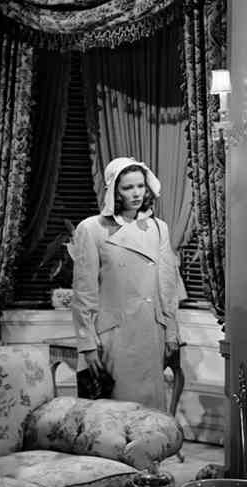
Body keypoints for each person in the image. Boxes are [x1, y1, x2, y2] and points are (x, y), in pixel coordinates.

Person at [71, 157, 183, 411]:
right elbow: (84, 293)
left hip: (151, 332)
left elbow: (167, 285)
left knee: (150, 414)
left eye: (140, 186)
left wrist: (171, 331)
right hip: (114, 336)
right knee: (116, 414)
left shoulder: (158, 228)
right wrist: (87, 344)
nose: (136, 193)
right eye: (128, 187)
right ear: (114, 191)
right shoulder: (91, 228)